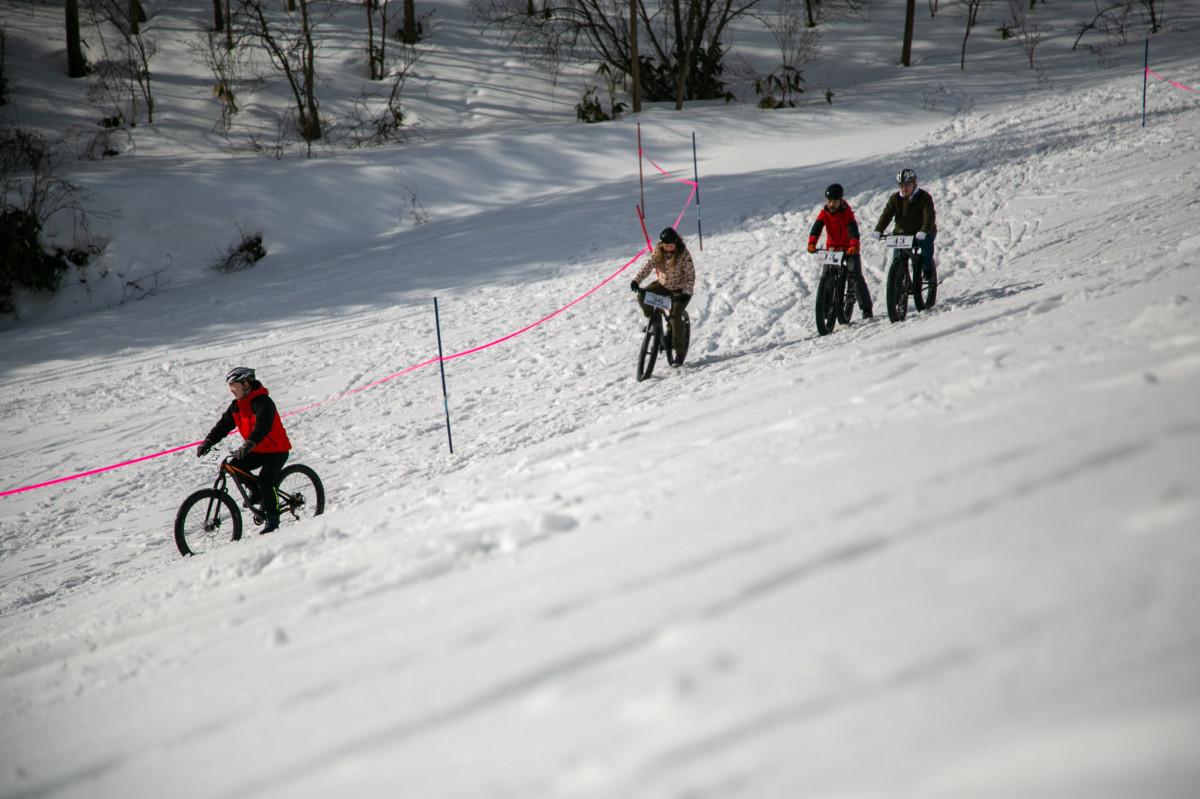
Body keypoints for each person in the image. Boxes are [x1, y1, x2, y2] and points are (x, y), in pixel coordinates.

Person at [196, 366, 292, 534]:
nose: (231, 390)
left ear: (246, 385)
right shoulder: (237, 406)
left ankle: (273, 519)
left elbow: (262, 427)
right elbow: (223, 425)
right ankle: (256, 492)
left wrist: (249, 444)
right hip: (257, 449)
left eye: (234, 385)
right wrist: (208, 442)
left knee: (266, 481)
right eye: (230, 386)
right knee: (235, 466)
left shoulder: (263, 402)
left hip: (277, 450)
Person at [807, 183, 872, 319]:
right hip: (832, 249)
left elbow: (853, 230)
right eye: (829, 201)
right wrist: (812, 242)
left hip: (848, 249)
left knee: (854, 276)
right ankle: (825, 310)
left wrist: (853, 245)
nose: (831, 204)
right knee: (826, 277)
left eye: (835, 202)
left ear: (841, 201)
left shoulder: (846, 213)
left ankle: (866, 308)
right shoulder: (824, 213)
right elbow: (816, 228)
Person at [631, 227, 695, 364]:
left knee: (675, 317)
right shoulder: (658, 252)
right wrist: (636, 281)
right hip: (663, 286)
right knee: (642, 296)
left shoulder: (684, 254)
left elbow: (690, 277)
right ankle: (653, 321)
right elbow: (647, 267)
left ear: (676, 244)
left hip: (680, 289)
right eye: (666, 246)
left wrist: (686, 294)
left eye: (671, 246)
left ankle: (679, 352)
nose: (668, 248)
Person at [872, 167, 937, 281]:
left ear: (914, 183)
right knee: (898, 262)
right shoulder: (895, 199)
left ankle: (927, 269)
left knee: (926, 249)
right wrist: (879, 229)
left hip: (921, 232)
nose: (904, 188)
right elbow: (887, 215)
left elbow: (929, 216)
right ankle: (896, 292)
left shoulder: (924, 197)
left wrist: (924, 230)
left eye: (907, 185)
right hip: (903, 234)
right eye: (901, 185)